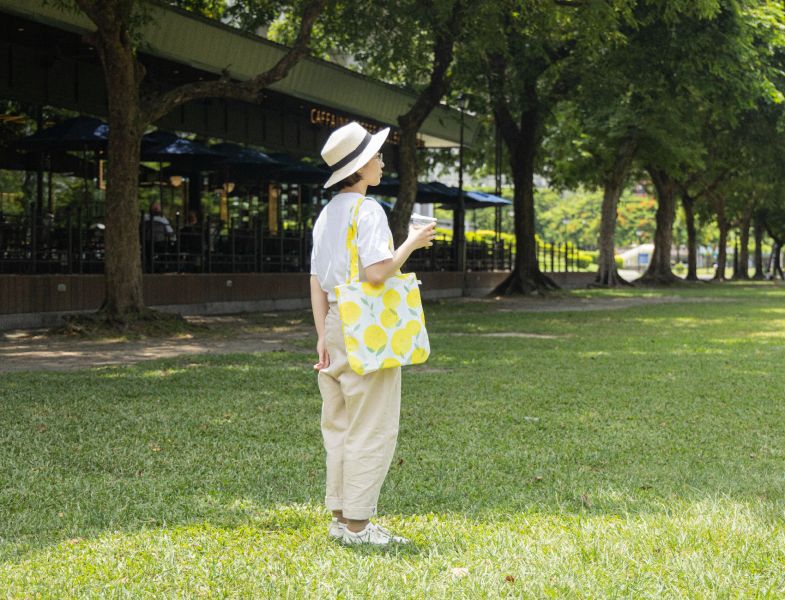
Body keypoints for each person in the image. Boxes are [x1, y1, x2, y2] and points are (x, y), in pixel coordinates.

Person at [310, 122, 436, 546]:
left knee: (341, 424)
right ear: (360, 166)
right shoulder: (369, 211)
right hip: (366, 325)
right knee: (373, 425)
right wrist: (413, 243)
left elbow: (315, 280)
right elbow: (377, 273)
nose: (382, 161)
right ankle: (359, 527)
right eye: (377, 156)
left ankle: (341, 517)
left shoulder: (326, 215)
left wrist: (321, 335)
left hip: (334, 323)